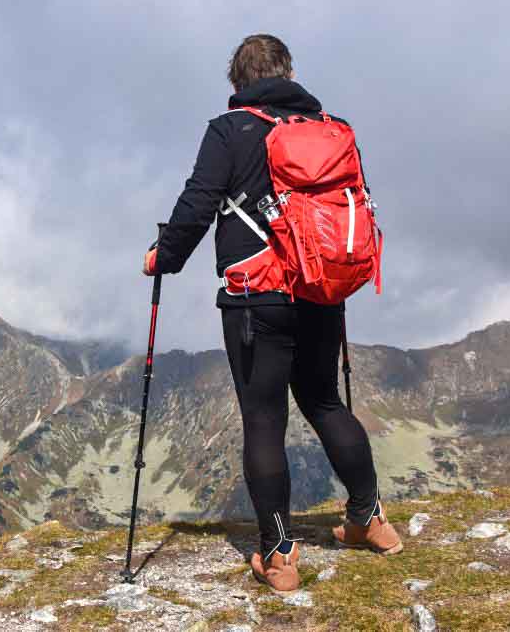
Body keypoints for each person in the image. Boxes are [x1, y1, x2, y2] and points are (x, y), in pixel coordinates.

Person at [142, 34, 401, 592]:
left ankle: (280, 557)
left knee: (264, 417)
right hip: (322, 287)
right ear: (287, 72)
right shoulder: (333, 129)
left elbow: (198, 202)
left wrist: (164, 258)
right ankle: (370, 520)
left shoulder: (230, 130)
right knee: (326, 400)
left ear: (239, 83)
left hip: (257, 297)